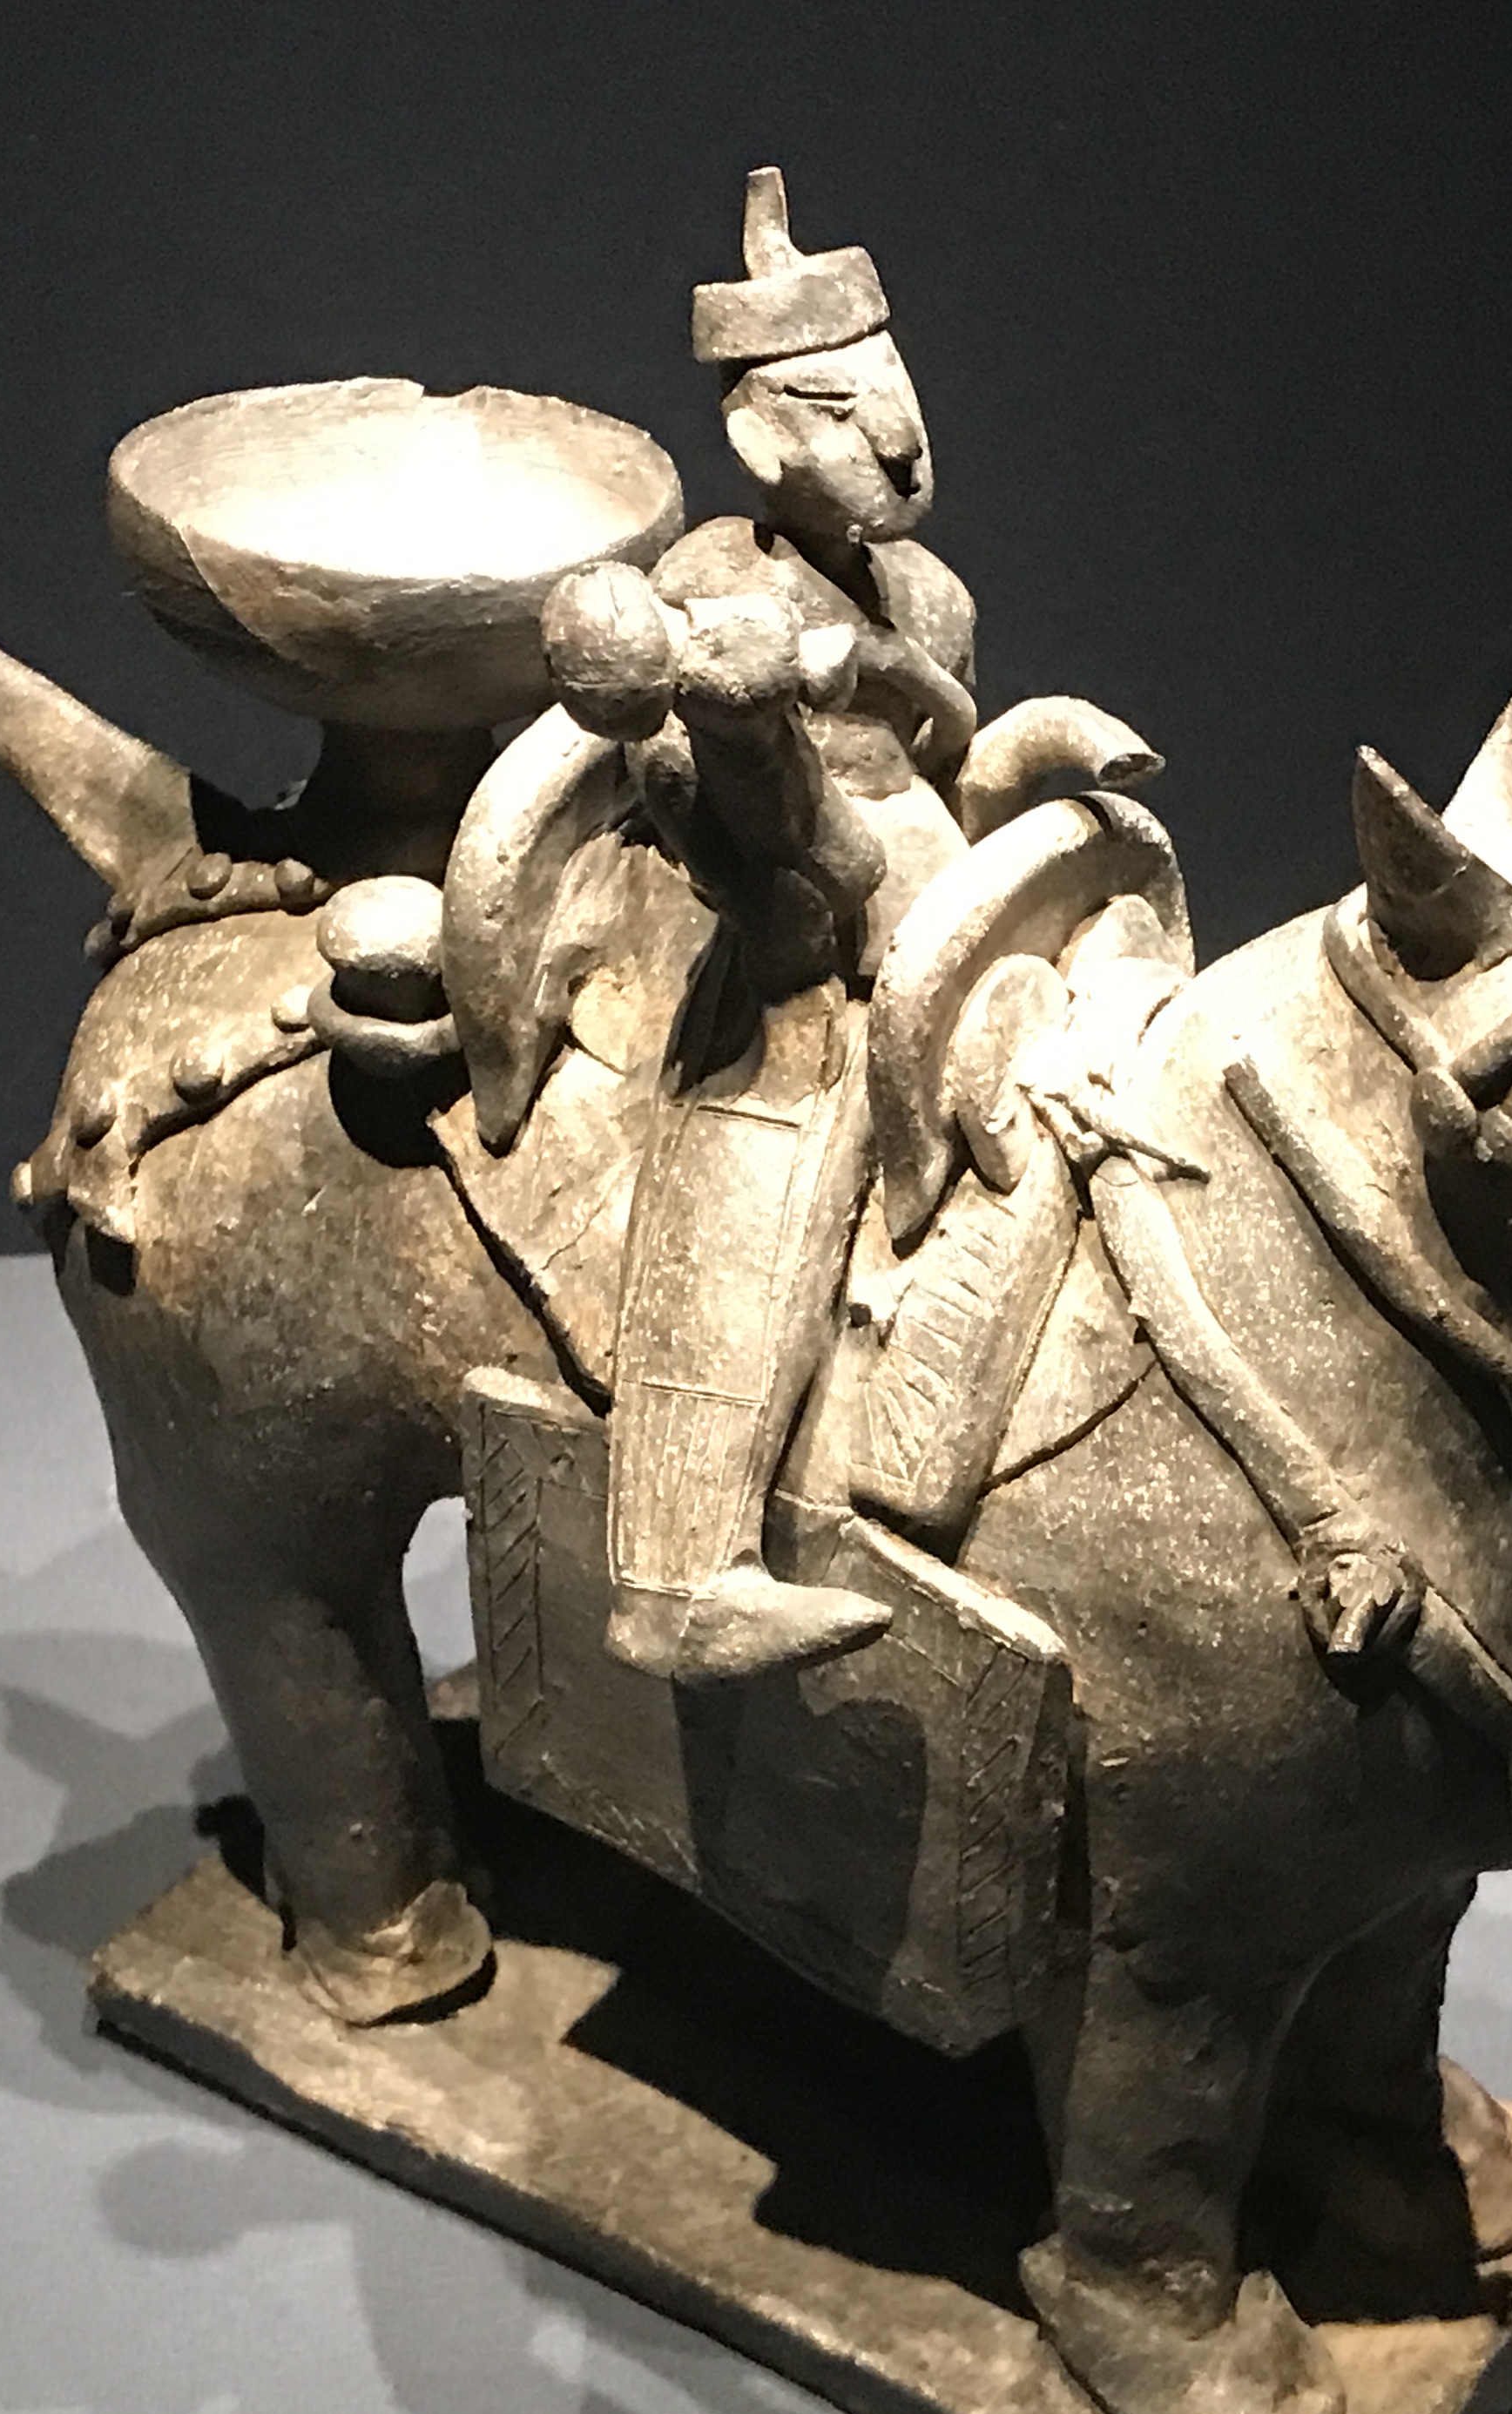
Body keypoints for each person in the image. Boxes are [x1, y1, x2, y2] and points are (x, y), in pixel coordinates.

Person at [542, 169, 983, 1685]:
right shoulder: (701, 589)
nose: (903, 438)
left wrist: (899, 686)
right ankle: (686, 1567)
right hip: (786, 924)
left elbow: (950, 740)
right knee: (787, 1118)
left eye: (899, 391)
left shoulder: (927, 593)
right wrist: (761, 750)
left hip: (942, 884)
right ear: (759, 439)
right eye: (851, 413)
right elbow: (690, 810)